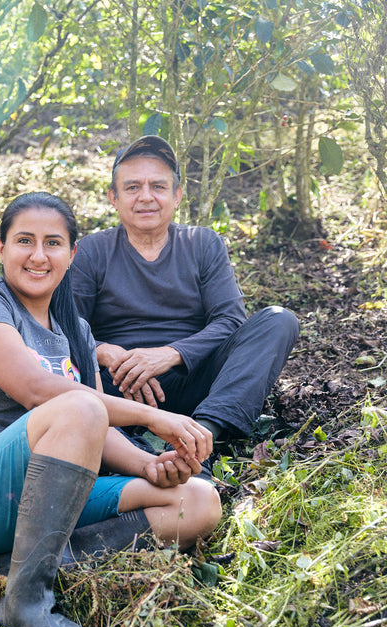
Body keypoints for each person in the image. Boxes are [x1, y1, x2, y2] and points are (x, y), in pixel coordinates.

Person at [0, 192, 222, 627]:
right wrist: (154, 416)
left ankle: (15, 564)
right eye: (24, 241)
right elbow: (38, 390)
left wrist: (153, 465)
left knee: (196, 502)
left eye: (53, 243)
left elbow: (96, 431)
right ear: (1, 248)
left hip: (50, 500)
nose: (38, 255)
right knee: (80, 406)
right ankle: (26, 604)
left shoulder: (75, 329)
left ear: (72, 254)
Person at [71, 135, 299, 447]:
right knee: (74, 377)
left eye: (159, 186)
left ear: (177, 195)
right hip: (121, 386)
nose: (146, 197)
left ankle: (202, 436)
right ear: (114, 197)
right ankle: (127, 442)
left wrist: (169, 355)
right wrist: (106, 353)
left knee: (279, 320)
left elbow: (230, 321)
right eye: (133, 187)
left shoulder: (203, 243)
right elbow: (66, 328)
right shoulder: (90, 251)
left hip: (196, 380)